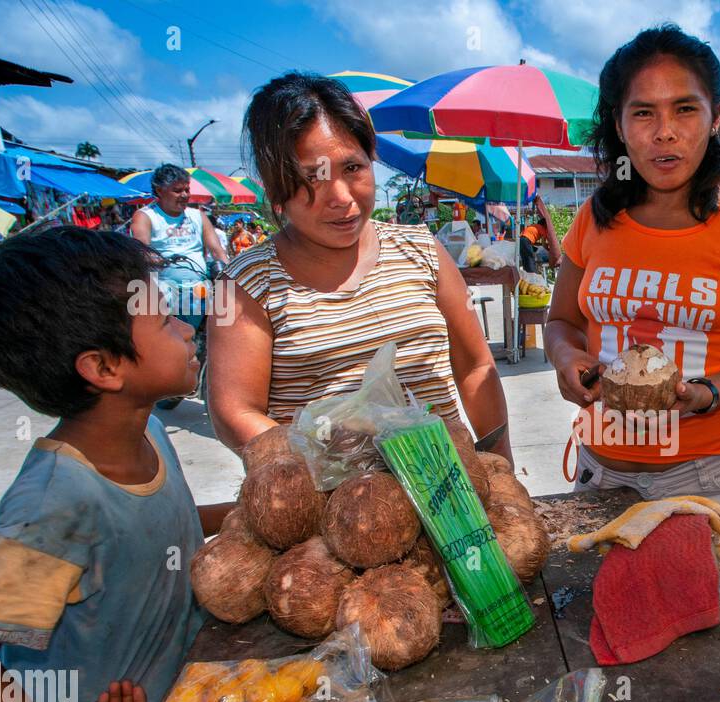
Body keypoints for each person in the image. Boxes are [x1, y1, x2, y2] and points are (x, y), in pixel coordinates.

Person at [0, 227, 234, 702]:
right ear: (104, 366)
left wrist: (263, 508)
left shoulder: (146, 436)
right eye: (168, 318)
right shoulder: (54, 504)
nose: (186, 330)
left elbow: (158, 529)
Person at [545, 25, 720, 583]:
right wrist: (567, 361)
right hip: (602, 475)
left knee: (718, 657)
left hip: (713, 485)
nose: (665, 133)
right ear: (618, 125)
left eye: (685, 109)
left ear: (714, 120)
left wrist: (707, 394)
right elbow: (561, 319)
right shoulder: (593, 218)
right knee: (604, 638)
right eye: (643, 113)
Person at [209, 72, 511, 462]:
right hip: (325, 507)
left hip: (447, 494)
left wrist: (500, 464)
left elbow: (474, 368)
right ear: (276, 184)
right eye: (312, 177)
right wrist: (332, 462)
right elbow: (234, 412)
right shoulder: (246, 286)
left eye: (353, 168)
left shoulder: (422, 250)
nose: (340, 197)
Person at [130, 165, 229, 325]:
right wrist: (155, 259)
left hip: (198, 286)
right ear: (160, 191)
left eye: (187, 190)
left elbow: (217, 251)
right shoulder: (145, 216)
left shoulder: (197, 215)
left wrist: (228, 272)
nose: (184, 195)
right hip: (164, 288)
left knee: (224, 315)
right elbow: (141, 248)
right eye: (177, 190)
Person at [520, 193, 562, 271]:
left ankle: (528, 273)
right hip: (526, 241)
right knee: (530, 259)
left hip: (522, 240)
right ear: (545, 225)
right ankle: (532, 276)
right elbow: (543, 244)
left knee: (527, 257)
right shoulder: (542, 229)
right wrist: (550, 251)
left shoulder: (535, 226)